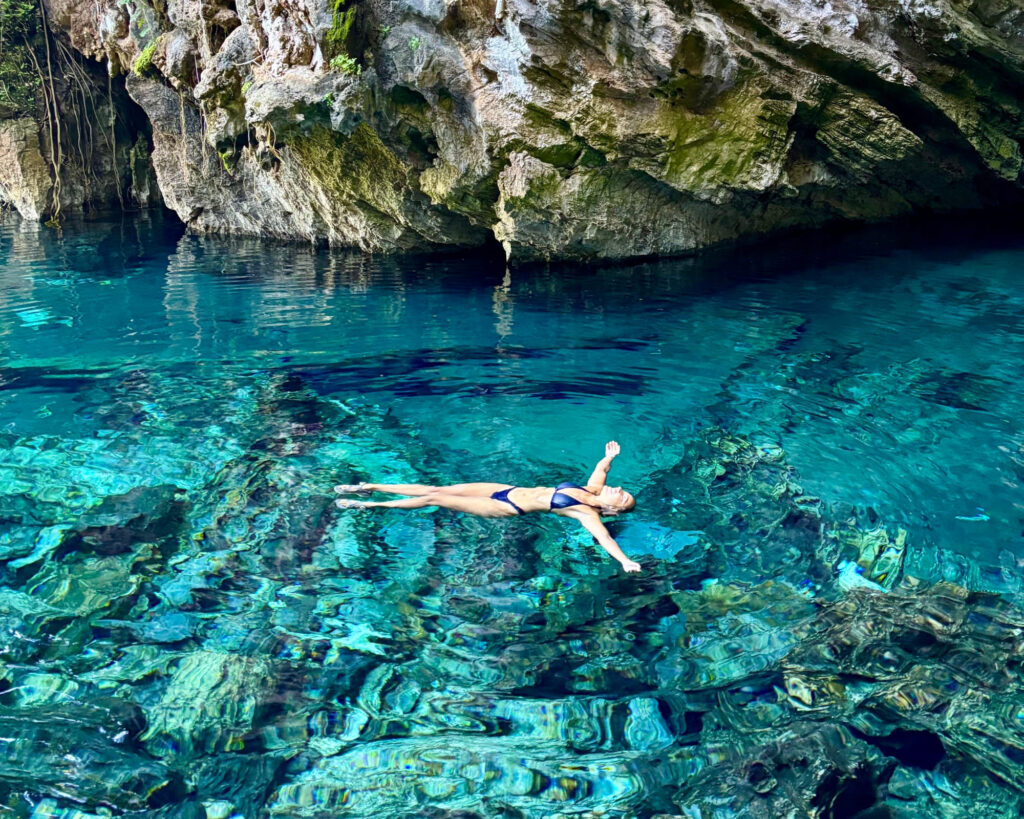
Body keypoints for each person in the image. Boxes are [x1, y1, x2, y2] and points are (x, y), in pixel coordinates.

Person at [334, 441, 641, 572]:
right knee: (435, 488)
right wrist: (609, 457)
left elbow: (605, 540)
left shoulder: (586, 513)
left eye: (623, 497)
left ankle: (372, 504)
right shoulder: (593, 490)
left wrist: (624, 561)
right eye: (625, 490)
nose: (620, 490)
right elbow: (601, 470)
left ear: (612, 511)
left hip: (507, 508)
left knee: (433, 500)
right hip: (506, 490)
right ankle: (367, 486)